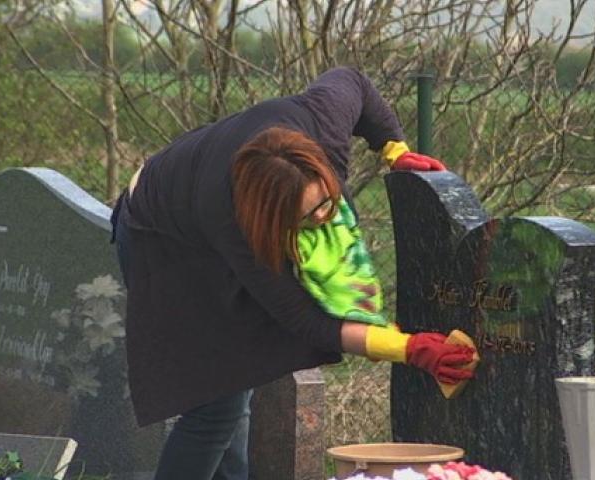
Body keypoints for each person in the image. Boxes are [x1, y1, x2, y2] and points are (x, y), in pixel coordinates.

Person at [110, 66, 477, 480]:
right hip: (162, 241)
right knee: (215, 404)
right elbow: (305, 319)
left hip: (197, 194)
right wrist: (408, 349)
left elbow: (354, 81)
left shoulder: (324, 121)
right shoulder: (235, 225)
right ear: (270, 219)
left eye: (326, 203)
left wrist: (394, 149)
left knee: (234, 393)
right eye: (307, 217)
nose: (323, 218)